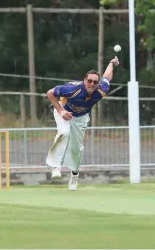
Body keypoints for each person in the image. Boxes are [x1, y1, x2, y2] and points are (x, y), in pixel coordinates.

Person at [46, 56, 120, 191]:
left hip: (81, 118)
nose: (92, 84)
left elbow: (107, 76)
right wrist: (61, 111)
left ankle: (74, 175)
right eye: (89, 81)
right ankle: (55, 166)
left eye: (95, 82)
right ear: (84, 81)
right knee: (64, 133)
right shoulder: (71, 89)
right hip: (64, 112)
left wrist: (111, 63)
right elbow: (50, 93)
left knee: (76, 149)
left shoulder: (102, 89)